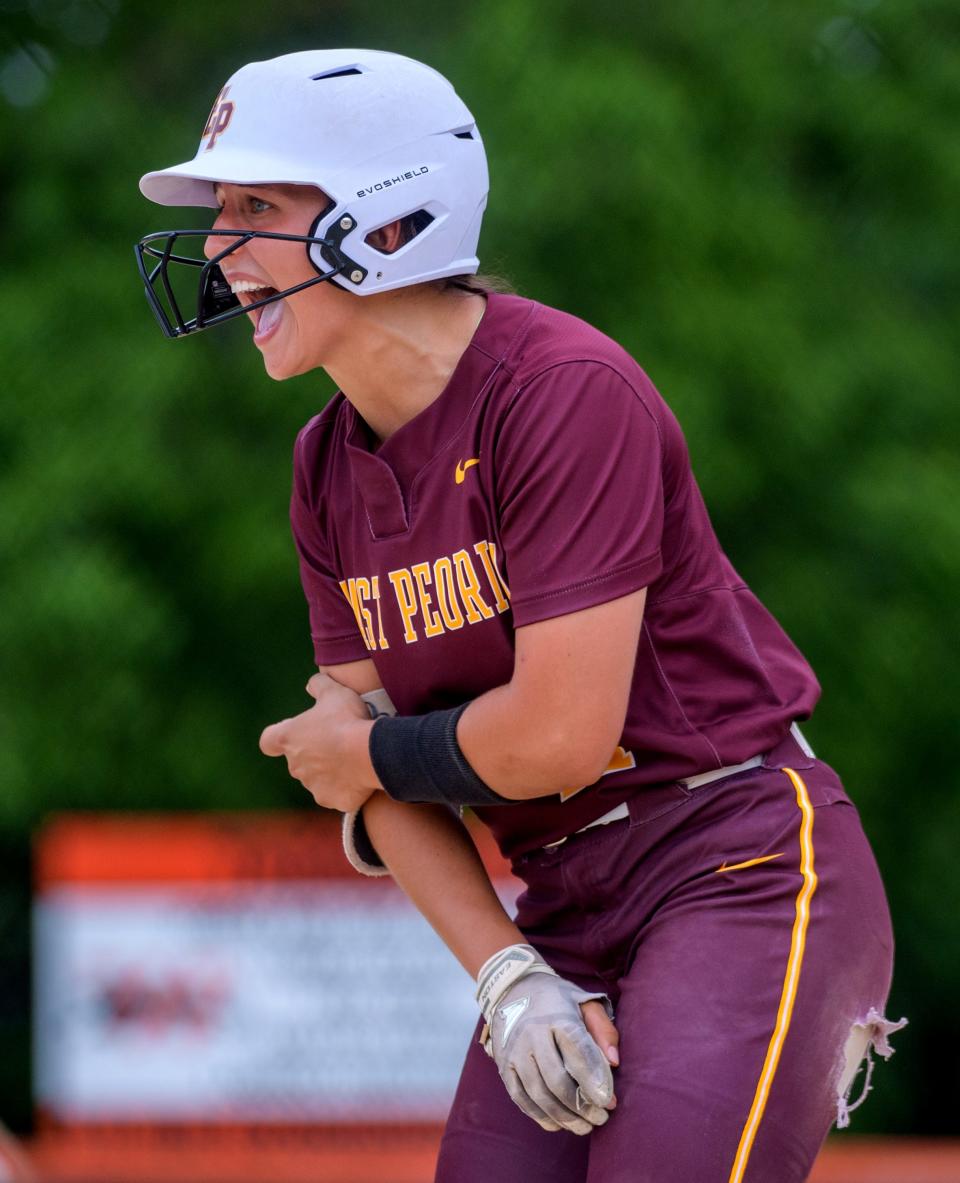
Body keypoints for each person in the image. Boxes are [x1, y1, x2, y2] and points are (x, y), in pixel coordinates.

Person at [136, 48, 905, 1183]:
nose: (214, 245)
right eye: (218, 211)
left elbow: (556, 738)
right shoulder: (323, 466)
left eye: (255, 204)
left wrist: (366, 752)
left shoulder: (560, 391)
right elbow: (373, 789)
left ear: (388, 219)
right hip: (559, 905)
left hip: (736, 865)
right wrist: (507, 974)